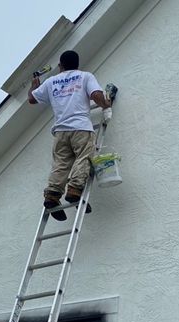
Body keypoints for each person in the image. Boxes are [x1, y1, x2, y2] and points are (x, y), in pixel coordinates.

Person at [28, 50, 112, 221]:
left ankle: (52, 195)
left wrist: (34, 84)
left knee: (61, 163)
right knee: (84, 157)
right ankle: (74, 190)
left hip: (60, 132)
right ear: (77, 64)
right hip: (81, 128)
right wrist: (106, 106)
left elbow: (31, 99)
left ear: (61, 65)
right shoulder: (85, 76)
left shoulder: (51, 81)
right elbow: (96, 95)